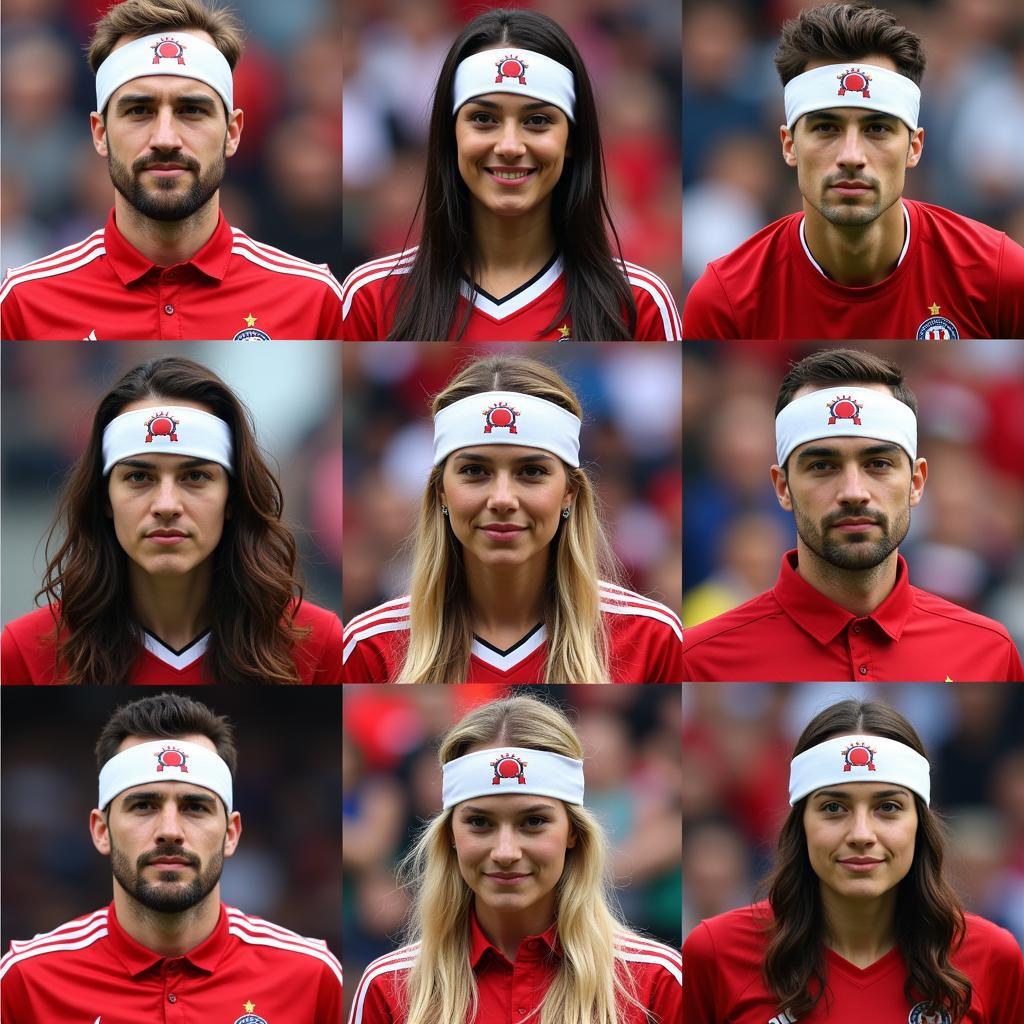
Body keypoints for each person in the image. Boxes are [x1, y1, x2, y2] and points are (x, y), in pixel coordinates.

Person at [0, 0, 342, 340]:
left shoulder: (312, 298)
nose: (165, 139)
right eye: (139, 111)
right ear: (100, 134)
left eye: (191, 110)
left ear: (232, 132)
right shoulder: (24, 303)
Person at [682, 2, 1024, 340]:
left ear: (914, 148)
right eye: (826, 128)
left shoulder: (1000, 276)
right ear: (789, 145)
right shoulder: (723, 299)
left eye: (877, 129)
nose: (851, 156)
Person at [682, 348, 1024, 681]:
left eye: (878, 464)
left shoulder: (989, 651)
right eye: (822, 466)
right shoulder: (701, 658)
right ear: (783, 487)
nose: (853, 492)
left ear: (917, 483)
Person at [341, 8, 680, 341]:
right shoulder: (372, 296)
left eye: (537, 121)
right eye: (484, 119)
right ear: (449, 135)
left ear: (573, 139)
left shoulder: (639, 302)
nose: (510, 146)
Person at [0, 692, 343, 1020]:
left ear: (231, 834)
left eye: (195, 807)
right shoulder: (26, 980)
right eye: (144, 806)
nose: (170, 830)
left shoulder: (312, 976)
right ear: (101, 831)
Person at [342, 354, 683, 683]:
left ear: (570, 492)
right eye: (475, 471)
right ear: (440, 492)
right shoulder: (370, 647)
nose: (502, 499)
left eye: (531, 471)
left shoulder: (652, 639)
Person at [1, 356, 342, 684]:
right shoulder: (26, 652)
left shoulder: (318, 643)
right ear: (105, 497)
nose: (166, 505)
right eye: (138, 477)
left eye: (194, 476)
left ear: (232, 497)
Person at [683, 697, 1024, 1022]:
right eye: (834, 807)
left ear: (920, 824)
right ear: (800, 824)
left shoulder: (993, 957)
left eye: (888, 807)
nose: (861, 834)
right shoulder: (715, 952)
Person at [348, 694, 681, 1024]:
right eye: (479, 822)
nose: (505, 852)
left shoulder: (656, 983)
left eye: (533, 822)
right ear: (450, 835)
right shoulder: (388, 987)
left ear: (573, 832)